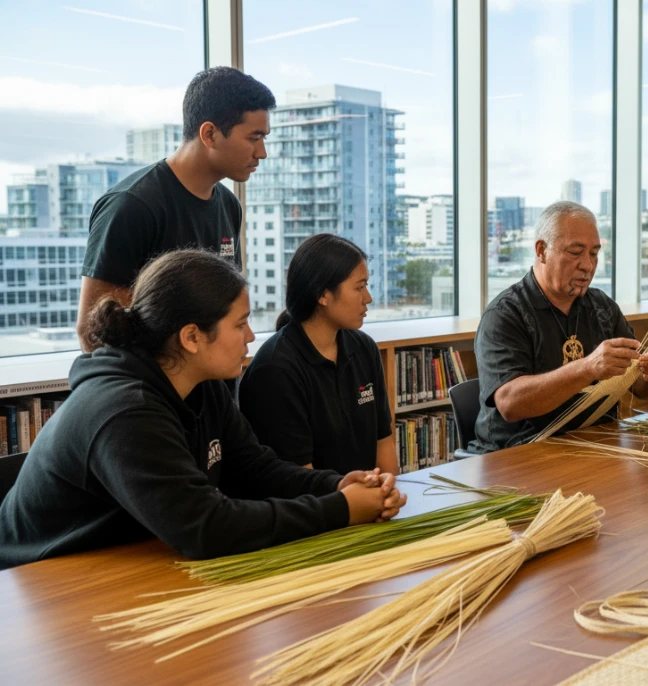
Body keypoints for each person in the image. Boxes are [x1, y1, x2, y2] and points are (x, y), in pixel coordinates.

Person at [0, 250, 402, 569]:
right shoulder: (126, 411)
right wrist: (342, 509)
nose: (250, 336)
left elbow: (254, 469)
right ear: (192, 337)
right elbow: (206, 529)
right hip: (42, 584)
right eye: (240, 324)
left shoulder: (201, 384)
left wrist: (334, 485)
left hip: (132, 558)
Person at [77, 67, 275, 350]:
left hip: (215, 391)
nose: (262, 152)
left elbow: (228, 310)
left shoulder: (229, 205)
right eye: (254, 138)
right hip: (150, 392)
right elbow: (94, 333)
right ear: (209, 134)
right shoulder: (132, 206)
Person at [469, 201, 648, 452]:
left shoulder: (602, 308)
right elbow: (510, 404)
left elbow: (643, 390)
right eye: (576, 252)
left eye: (594, 253)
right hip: (519, 454)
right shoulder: (505, 314)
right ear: (542, 251)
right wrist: (588, 368)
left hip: (593, 447)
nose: (587, 265)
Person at [240, 234, 402, 477]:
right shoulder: (275, 370)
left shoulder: (364, 348)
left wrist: (391, 494)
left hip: (368, 505)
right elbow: (298, 479)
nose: (368, 298)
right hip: (316, 509)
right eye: (359, 287)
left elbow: (383, 441)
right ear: (323, 295)